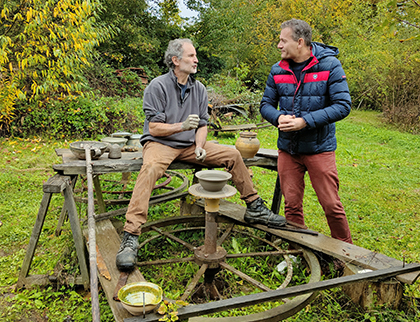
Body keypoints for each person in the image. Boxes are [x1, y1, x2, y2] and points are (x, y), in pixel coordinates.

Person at [116, 38, 286, 271]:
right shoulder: (157, 86)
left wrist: (199, 144)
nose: (196, 60)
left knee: (233, 155)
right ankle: (130, 236)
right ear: (175, 60)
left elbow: (203, 124)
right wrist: (182, 126)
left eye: (195, 56)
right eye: (191, 56)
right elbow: (154, 128)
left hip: (189, 145)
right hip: (160, 143)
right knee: (151, 168)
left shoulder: (199, 89)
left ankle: (254, 207)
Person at [259, 19, 353, 244]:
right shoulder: (277, 69)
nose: (279, 45)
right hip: (288, 149)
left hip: (319, 148)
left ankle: (347, 254)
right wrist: (278, 117)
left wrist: (306, 121)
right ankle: (298, 249)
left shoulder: (329, 66)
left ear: (300, 42)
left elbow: (343, 105)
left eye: (283, 40)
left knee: (331, 204)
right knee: (291, 205)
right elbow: (265, 105)